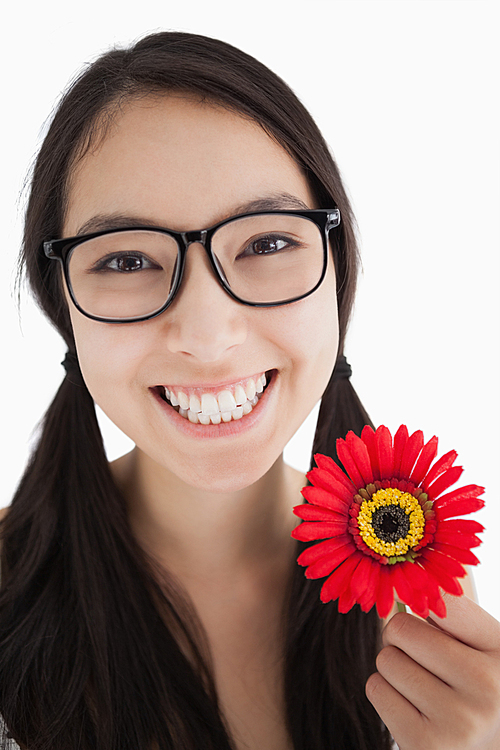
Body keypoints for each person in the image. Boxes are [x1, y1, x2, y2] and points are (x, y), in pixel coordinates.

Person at [0, 31, 498, 750]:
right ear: (65, 306)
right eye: (128, 258)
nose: (206, 335)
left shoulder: (418, 596)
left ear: (336, 273)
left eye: (267, 244)